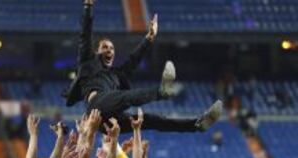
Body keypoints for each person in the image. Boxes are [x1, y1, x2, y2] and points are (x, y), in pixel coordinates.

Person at [63, 0, 222, 134]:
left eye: (112, 48)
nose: (109, 50)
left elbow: (134, 59)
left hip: (111, 119)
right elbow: (85, 35)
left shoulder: (117, 74)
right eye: (105, 47)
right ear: (97, 51)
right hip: (96, 109)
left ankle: (196, 125)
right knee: (125, 96)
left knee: (149, 120)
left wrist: (149, 39)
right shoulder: (88, 63)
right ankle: (161, 92)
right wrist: (88, 6)